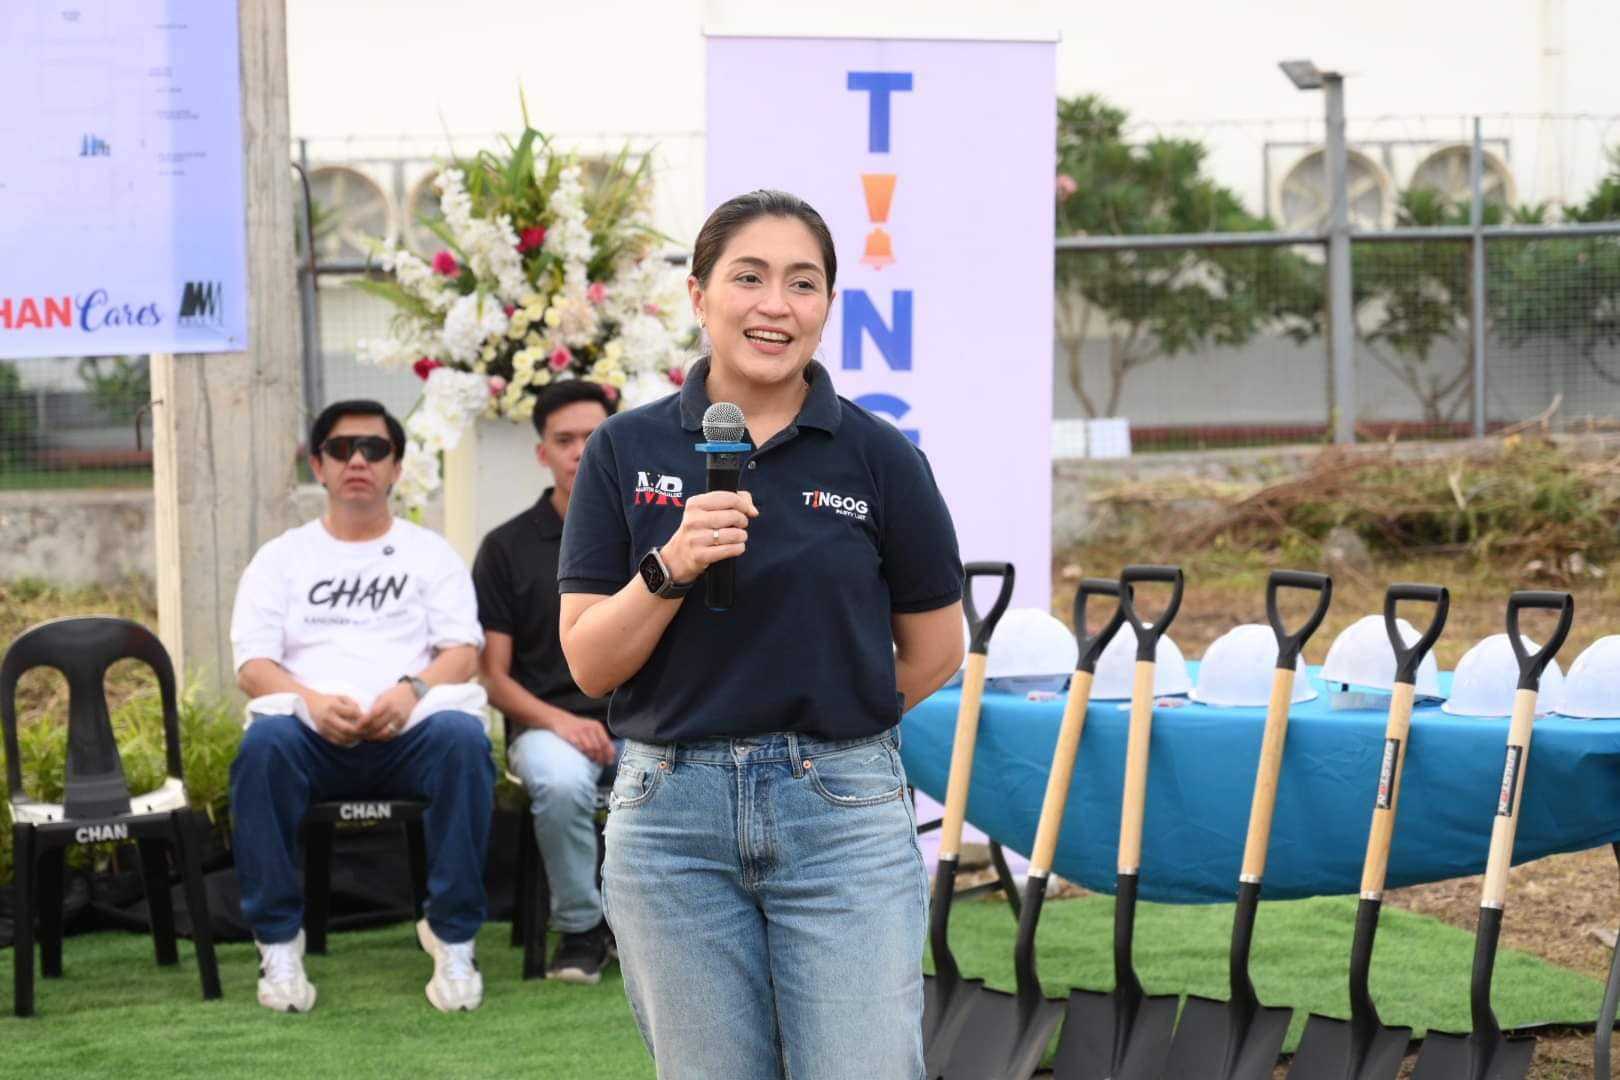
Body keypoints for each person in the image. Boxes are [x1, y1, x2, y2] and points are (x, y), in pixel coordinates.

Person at [558, 190, 965, 1079]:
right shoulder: (624, 451)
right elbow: (589, 662)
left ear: (827, 310)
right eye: (749, 277)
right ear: (700, 297)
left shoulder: (880, 456)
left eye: (803, 283)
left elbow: (937, 650)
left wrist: (838, 719)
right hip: (669, 820)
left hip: (842, 817)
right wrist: (672, 566)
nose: (775, 305)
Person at [229, 399, 494, 1015]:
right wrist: (313, 703)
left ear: (396, 468)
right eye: (342, 449)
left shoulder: (430, 553)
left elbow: (462, 652)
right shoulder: (281, 559)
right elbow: (253, 666)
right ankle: (278, 943)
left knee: (463, 740)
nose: (358, 461)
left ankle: (453, 937)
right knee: (262, 747)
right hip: (311, 737)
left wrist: (410, 692)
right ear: (317, 466)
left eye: (374, 450)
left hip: (410, 733)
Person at [472, 379, 619, 983]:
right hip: (547, 727)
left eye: (595, 437)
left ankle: (672, 931)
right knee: (560, 785)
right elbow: (492, 678)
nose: (580, 450)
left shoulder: (652, 532)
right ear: (543, 452)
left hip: (641, 722)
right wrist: (564, 722)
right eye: (565, 439)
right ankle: (583, 930)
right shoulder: (505, 548)